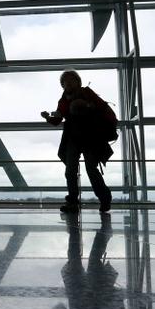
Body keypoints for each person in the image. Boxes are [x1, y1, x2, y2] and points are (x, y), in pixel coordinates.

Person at [41, 70, 115, 213]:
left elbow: (100, 107)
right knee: (72, 171)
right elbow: (58, 119)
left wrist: (86, 106)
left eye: (70, 80)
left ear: (77, 82)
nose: (67, 83)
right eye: (65, 81)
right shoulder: (63, 100)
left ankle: (102, 199)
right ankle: (78, 202)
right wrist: (48, 118)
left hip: (88, 136)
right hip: (75, 137)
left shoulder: (85, 94)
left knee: (89, 169)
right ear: (62, 85)